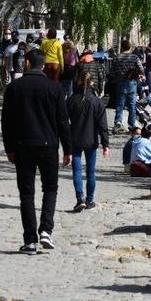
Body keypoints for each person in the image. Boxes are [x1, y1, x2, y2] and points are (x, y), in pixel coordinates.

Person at [2, 49, 72, 254]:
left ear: (26, 64)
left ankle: (30, 239)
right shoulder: (54, 88)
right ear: (43, 65)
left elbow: (7, 121)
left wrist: (9, 147)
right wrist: (68, 148)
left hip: (23, 146)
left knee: (26, 193)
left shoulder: (14, 88)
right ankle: (46, 230)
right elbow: (63, 122)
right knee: (50, 188)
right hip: (49, 145)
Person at [66, 71, 109, 212]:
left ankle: (80, 198)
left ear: (78, 82)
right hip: (91, 140)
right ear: (91, 83)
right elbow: (102, 125)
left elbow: (64, 122)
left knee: (77, 171)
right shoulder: (97, 102)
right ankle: (90, 199)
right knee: (91, 172)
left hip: (75, 138)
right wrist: (105, 144)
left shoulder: (72, 100)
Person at [109, 39, 145, 134]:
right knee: (132, 105)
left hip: (120, 83)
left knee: (120, 104)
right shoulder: (134, 57)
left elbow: (112, 72)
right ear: (130, 47)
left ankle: (118, 123)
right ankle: (131, 125)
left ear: (122, 47)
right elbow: (141, 69)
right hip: (132, 83)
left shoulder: (117, 57)